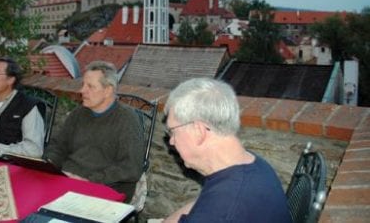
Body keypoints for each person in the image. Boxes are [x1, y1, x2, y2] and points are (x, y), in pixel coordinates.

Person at [162, 78, 291, 223]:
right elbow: (205, 201)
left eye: (172, 131)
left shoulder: (222, 210)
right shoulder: (252, 164)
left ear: (199, 131)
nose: (171, 141)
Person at [43, 61, 144, 203]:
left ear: (108, 90)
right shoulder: (79, 113)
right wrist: (50, 163)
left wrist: (89, 180)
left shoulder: (127, 119)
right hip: (68, 180)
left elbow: (130, 168)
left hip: (106, 187)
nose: (82, 90)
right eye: (83, 84)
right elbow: (58, 145)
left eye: (90, 86)